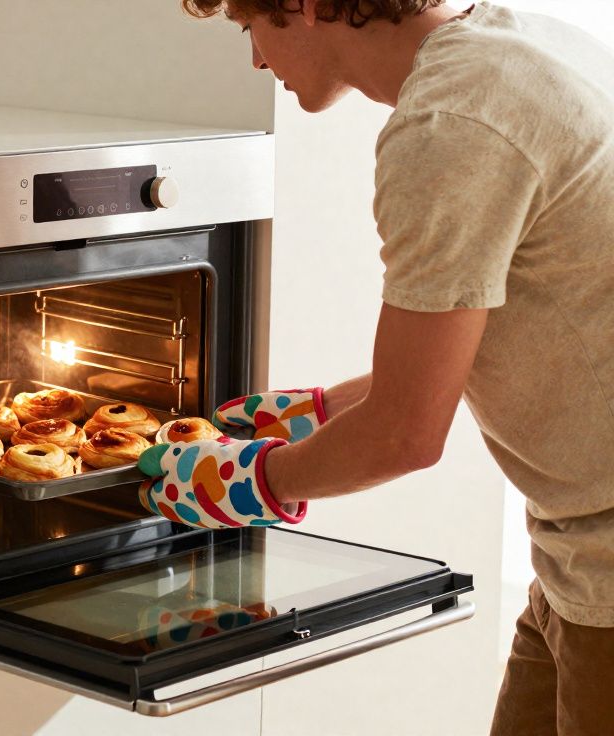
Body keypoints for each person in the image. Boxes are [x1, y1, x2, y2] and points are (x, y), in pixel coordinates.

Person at [146, 1, 614, 733]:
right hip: (575, 561)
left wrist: (242, 484)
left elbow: (405, 433)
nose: (257, 62)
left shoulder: (449, 130)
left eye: (249, 28)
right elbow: (472, 346)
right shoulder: (516, 47)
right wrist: (314, 415)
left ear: (301, 7)